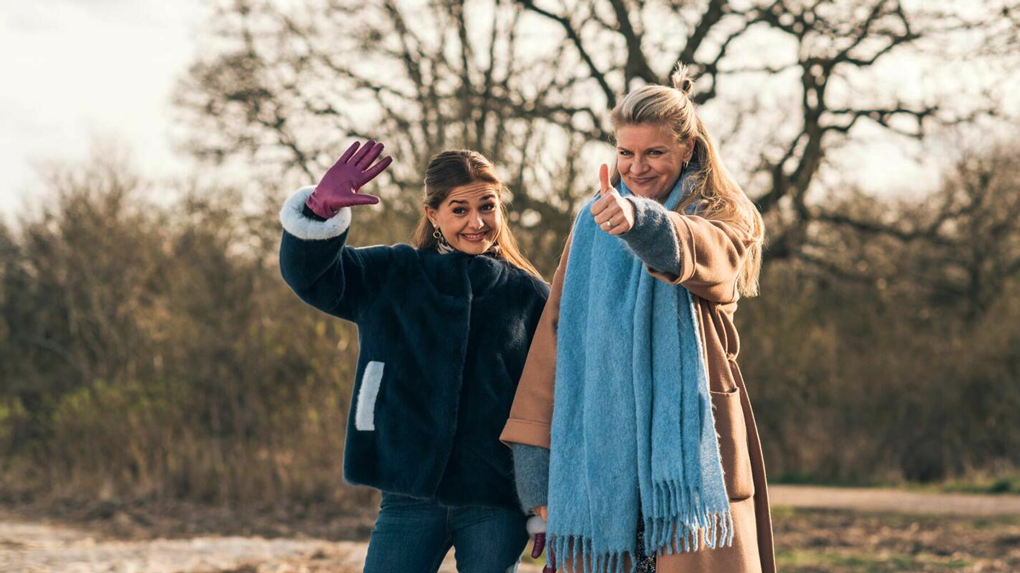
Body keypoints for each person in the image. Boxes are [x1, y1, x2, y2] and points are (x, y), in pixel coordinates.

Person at [501, 66, 776, 573]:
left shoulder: (721, 214)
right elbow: (554, 343)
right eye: (626, 152)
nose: (636, 167)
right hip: (600, 467)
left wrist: (643, 224)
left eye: (654, 153)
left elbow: (711, 258)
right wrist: (538, 476)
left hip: (689, 471)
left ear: (687, 148)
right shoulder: (593, 221)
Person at [279, 141, 549, 573]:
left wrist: (548, 497)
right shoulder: (393, 273)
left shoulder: (529, 294)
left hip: (495, 500)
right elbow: (313, 278)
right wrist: (317, 214)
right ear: (433, 214)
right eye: (459, 209)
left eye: (487, 206)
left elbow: (550, 402)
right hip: (409, 495)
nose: (477, 222)